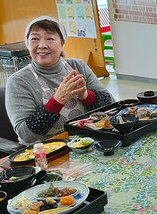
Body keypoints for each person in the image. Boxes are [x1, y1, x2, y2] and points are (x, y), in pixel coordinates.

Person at [6, 16, 114, 144]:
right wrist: (57, 100)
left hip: (86, 141)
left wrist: (85, 96)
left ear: (62, 43)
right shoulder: (18, 81)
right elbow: (26, 135)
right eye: (34, 39)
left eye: (50, 39)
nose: (42, 45)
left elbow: (111, 106)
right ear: (27, 44)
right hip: (45, 151)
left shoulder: (77, 66)